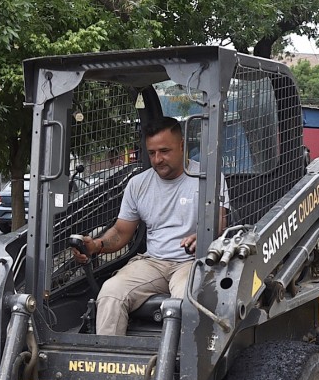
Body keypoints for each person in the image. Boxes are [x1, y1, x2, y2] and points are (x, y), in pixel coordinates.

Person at [75, 116, 229, 336]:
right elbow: (121, 232)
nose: (158, 159)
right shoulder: (138, 184)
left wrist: (202, 236)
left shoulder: (208, 179)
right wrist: (95, 246)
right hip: (153, 262)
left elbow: (219, 223)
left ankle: (182, 366)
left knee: (185, 300)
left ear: (183, 146)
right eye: (152, 152)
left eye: (165, 151)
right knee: (110, 292)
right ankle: (112, 363)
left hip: (192, 262)